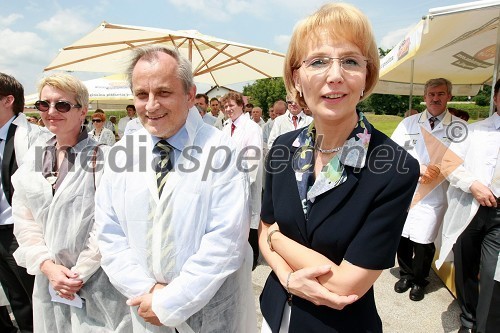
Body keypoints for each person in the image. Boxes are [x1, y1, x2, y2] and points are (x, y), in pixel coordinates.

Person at [258, 3, 420, 332]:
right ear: (296, 78)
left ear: (366, 75)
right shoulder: (282, 147)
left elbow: (347, 284)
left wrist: (277, 241)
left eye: (349, 61)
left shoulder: (395, 167)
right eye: (318, 61)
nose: (335, 76)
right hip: (274, 315)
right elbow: (264, 228)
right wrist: (288, 278)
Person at [95, 45, 256, 332]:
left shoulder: (220, 151)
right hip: (144, 306)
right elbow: (109, 234)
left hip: (210, 311)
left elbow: (225, 241)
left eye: (164, 92)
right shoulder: (123, 155)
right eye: (142, 95)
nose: (151, 105)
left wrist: (171, 301)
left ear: (190, 95)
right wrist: (148, 292)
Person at [11, 73, 131, 332]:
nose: (51, 111)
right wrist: (47, 266)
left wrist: (79, 273)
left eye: (62, 105)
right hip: (50, 284)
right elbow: (25, 220)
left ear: (82, 111)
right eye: (44, 104)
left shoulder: (104, 160)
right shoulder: (33, 159)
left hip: (97, 285)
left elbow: (109, 224)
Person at [390, 78, 466, 301]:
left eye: (441, 94)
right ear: (424, 98)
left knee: (424, 240)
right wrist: (417, 168)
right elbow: (394, 152)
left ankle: (419, 280)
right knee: (402, 236)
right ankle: (404, 274)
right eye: (431, 94)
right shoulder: (409, 123)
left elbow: (462, 158)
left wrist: (438, 170)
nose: (435, 98)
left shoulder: (459, 128)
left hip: (435, 192)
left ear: (449, 97)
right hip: (408, 188)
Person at [436, 78, 500, 333]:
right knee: (465, 267)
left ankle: (485, 327)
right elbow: (449, 164)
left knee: (493, 276)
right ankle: (469, 319)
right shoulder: (474, 131)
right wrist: (473, 184)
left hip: (498, 217)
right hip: (470, 211)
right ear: (496, 98)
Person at [0, 72, 43, 333]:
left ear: (8, 100)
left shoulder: (32, 138)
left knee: (34, 300)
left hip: (21, 232)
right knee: (15, 301)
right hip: (0, 232)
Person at [222, 91, 263, 271]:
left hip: (246, 183)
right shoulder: (226, 127)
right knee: (234, 222)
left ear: (240, 105)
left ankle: (252, 261)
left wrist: (241, 183)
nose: (228, 109)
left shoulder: (252, 128)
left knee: (250, 220)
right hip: (227, 183)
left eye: (231, 105)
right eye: (225, 107)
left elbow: (253, 159)